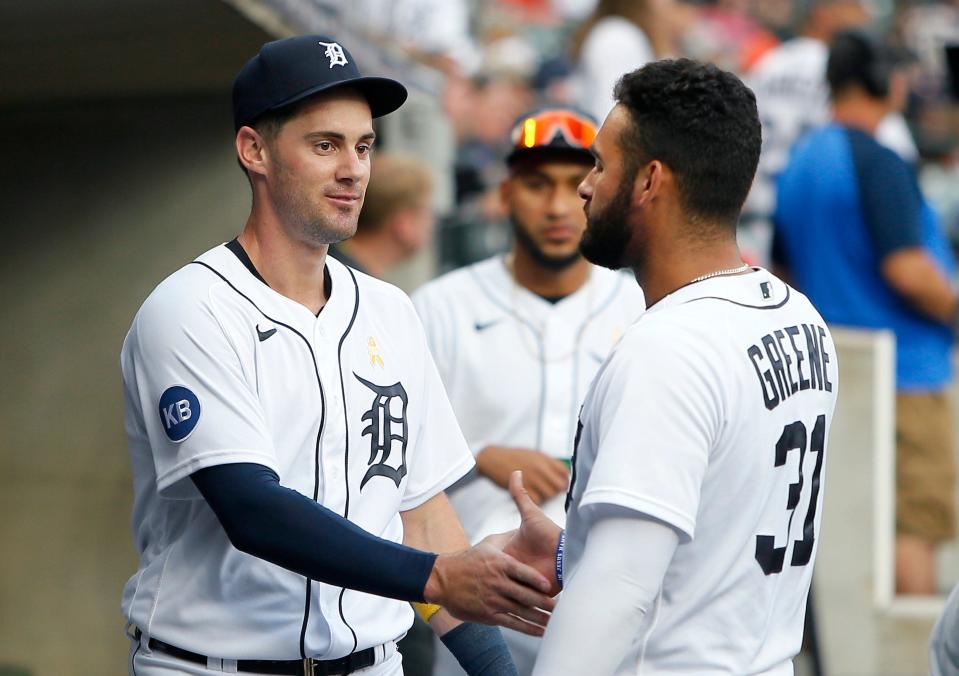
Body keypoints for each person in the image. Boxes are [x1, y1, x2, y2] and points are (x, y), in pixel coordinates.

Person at [119, 34, 557, 676]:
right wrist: (437, 577)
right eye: (325, 145)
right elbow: (253, 511)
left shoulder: (389, 310)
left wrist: (494, 667)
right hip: (208, 663)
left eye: (364, 145)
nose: (354, 169)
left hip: (371, 661)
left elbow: (421, 513)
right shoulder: (191, 309)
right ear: (254, 151)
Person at [502, 58, 840, 674]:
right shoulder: (799, 316)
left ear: (649, 180)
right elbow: (716, 541)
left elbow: (622, 587)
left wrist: (597, 568)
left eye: (601, 165)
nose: (584, 186)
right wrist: (572, 554)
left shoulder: (671, 346)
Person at [412, 107, 645, 675]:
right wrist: (477, 456)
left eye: (574, 183)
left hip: (611, 609)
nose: (559, 206)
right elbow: (390, 460)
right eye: (538, 185)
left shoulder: (641, 306)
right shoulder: (438, 307)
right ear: (507, 193)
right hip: (471, 611)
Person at [775, 30, 957, 595]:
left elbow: (787, 277)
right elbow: (908, 269)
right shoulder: (876, 159)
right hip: (907, 377)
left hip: (834, 378)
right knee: (912, 529)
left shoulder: (801, 159)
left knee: (850, 536)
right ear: (886, 81)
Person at [741, 0, 918, 267]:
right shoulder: (849, 75)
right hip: (811, 235)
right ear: (823, 13)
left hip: (753, 229)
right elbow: (897, 152)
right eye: (855, 8)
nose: (864, 17)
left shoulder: (770, 62)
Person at [329, 152, 436, 279]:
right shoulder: (354, 286)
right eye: (426, 211)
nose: (432, 222)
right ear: (404, 223)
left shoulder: (330, 265)